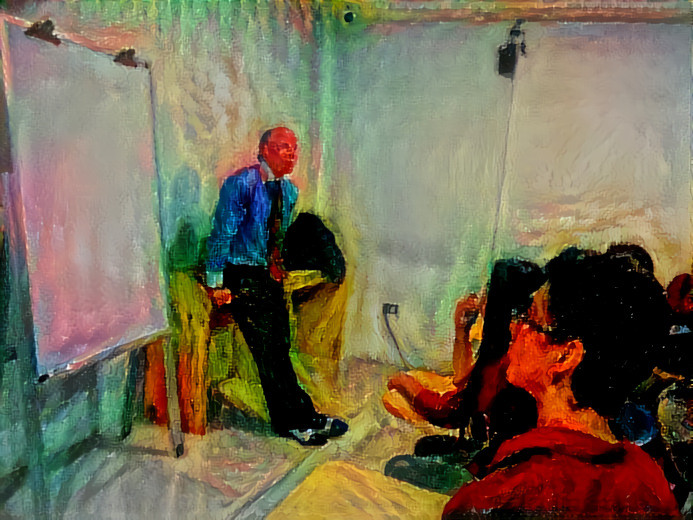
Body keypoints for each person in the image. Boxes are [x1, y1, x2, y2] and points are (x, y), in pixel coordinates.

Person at [443, 249, 682, 519]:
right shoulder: (650, 481)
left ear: (566, 356)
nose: (514, 327)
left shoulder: (502, 494)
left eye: (529, 319)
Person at [206, 127, 347, 446]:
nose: (292, 154)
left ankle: (306, 416)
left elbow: (276, 236)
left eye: (294, 148)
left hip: (264, 275)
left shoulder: (289, 192)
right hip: (239, 274)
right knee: (270, 352)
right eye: (284, 147)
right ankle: (293, 422)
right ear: (264, 150)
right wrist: (216, 283)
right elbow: (222, 233)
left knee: (281, 346)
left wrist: (276, 264)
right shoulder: (242, 184)